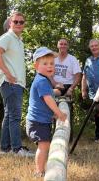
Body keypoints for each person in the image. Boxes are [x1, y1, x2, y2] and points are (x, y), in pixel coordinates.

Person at [0, 11, 34, 157]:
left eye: (21, 22)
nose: (18, 24)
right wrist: (7, 73)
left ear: (24, 25)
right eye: (15, 21)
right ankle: (17, 149)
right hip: (10, 83)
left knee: (9, 115)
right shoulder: (7, 37)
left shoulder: (18, 40)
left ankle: (5, 149)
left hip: (17, 83)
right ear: (10, 23)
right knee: (14, 116)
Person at [26, 47, 67, 177]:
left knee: (45, 145)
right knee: (43, 147)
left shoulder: (44, 80)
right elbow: (48, 100)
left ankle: (40, 170)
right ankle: (39, 172)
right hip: (37, 121)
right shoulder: (42, 81)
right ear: (36, 66)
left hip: (40, 120)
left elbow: (47, 97)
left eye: (52, 63)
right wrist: (59, 113)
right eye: (45, 64)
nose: (50, 66)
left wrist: (53, 113)